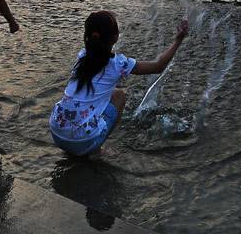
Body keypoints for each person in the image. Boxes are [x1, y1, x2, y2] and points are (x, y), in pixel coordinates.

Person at [50, 10, 189, 156]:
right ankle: (96, 150)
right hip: (84, 141)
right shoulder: (118, 64)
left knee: (104, 93)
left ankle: (78, 143)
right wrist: (178, 40)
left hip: (56, 133)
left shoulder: (82, 56)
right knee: (120, 96)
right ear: (115, 37)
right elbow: (158, 66)